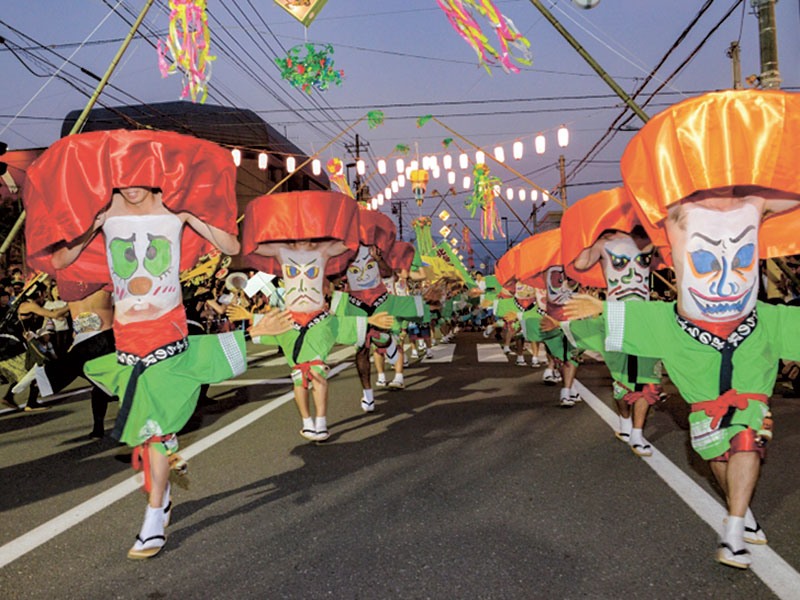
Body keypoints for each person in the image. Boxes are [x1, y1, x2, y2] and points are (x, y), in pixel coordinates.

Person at [565, 90, 800, 569]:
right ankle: (743, 509)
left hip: (752, 331)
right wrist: (587, 309)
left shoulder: (754, 202)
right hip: (687, 336)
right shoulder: (673, 212)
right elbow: (592, 319)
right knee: (716, 446)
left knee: (746, 435)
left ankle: (732, 530)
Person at [24, 129, 248, 560]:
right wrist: (87, 228)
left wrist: (195, 216)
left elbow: (231, 245)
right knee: (143, 436)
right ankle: (161, 496)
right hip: (126, 339)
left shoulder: (172, 207)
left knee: (153, 432)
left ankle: (152, 517)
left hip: (168, 333)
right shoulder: (105, 211)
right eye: (119, 174)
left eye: (137, 172)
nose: (129, 182)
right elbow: (59, 262)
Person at [241, 190, 393, 441]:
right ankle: (307, 422)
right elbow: (254, 245)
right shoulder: (280, 250)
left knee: (318, 373)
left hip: (318, 317)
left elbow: (348, 242)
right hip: (290, 319)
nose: (300, 231)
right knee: (298, 375)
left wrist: (351, 215)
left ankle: (321, 423)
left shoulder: (323, 249)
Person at [558, 187, 663, 456]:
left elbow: (660, 264)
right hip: (614, 315)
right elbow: (580, 264)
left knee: (647, 378)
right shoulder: (605, 244)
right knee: (621, 379)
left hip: (646, 318)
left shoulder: (649, 242)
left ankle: (638, 433)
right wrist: (591, 236)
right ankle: (625, 421)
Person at [13, 281, 117, 437]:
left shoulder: (73, 294)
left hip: (83, 341)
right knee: (110, 384)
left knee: (98, 385)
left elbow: (75, 323)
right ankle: (44, 373)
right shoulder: (104, 288)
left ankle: (99, 429)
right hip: (103, 338)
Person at [17, 283, 70, 411]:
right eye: (44, 293)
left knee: (37, 370)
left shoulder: (28, 304)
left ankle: (31, 402)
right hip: (23, 343)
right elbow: (54, 315)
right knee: (33, 370)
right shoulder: (29, 305)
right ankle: (23, 400)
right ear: (39, 293)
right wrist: (70, 305)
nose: (45, 296)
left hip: (28, 341)